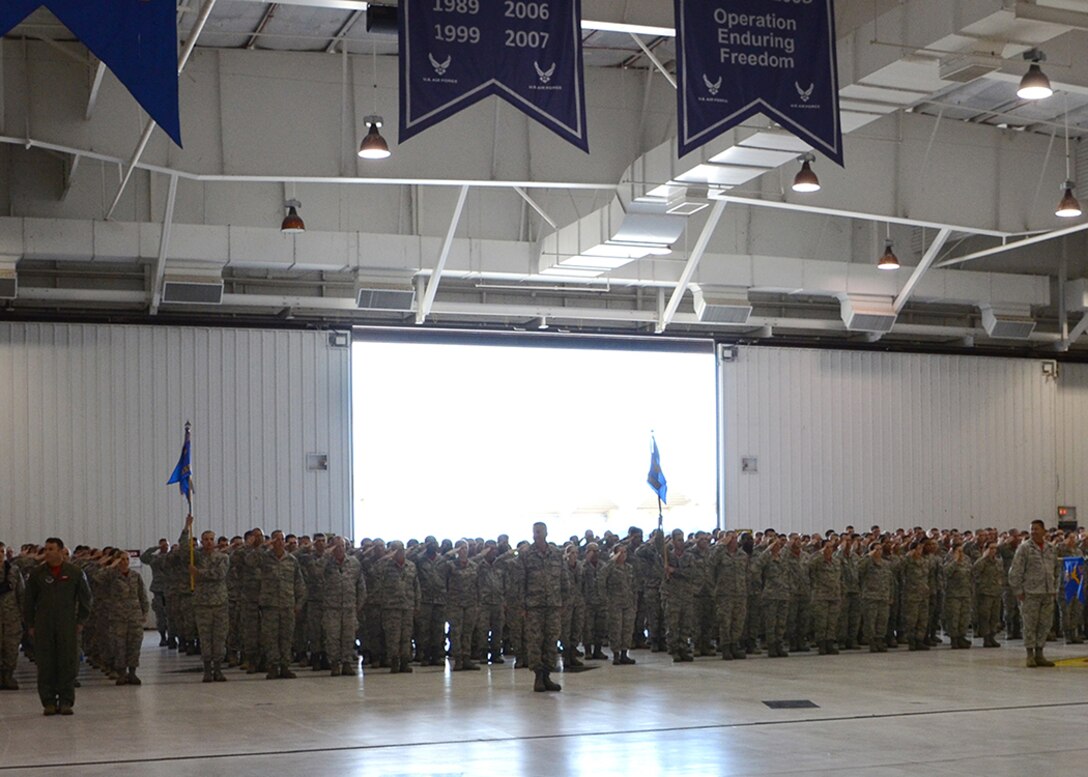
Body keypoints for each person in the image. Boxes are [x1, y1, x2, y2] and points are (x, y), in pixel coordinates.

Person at [24, 538, 92, 716]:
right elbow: (28, 601)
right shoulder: (37, 574)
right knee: (46, 664)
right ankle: (48, 702)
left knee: (67, 663)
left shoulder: (75, 572)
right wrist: (30, 624)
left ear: (61, 551)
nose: (47, 552)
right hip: (43, 625)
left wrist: (81, 621)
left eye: (51, 549)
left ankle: (65, 701)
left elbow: (86, 599)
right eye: (46, 549)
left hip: (67, 625)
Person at [1009, 519, 1061, 668]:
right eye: (1031, 529)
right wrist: (1018, 591)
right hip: (1030, 593)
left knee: (1045, 624)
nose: (1033, 532)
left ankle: (1040, 653)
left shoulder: (1051, 548)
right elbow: (1015, 571)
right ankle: (1030, 655)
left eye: (1036, 529)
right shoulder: (1024, 548)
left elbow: (1056, 570)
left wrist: (1054, 588)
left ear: (1044, 531)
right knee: (1030, 624)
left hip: (1047, 592)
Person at [521, 521, 564, 692]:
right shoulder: (526, 555)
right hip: (534, 606)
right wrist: (521, 605)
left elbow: (563, 578)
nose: (536, 535)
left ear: (546, 533)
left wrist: (564, 601)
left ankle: (547, 675)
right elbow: (520, 582)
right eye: (535, 532)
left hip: (553, 604)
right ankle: (538, 676)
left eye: (539, 532)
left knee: (551, 640)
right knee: (535, 641)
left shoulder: (556, 553)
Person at [187, 515, 230, 682]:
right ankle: (207, 670)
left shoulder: (223, 558)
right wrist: (186, 528)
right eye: (205, 539)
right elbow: (184, 549)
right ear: (202, 541)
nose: (209, 542)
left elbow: (219, 575)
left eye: (211, 539)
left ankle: (218, 669)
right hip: (202, 604)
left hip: (219, 603)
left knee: (219, 637)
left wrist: (198, 573)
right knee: (205, 637)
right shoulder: (195, 557)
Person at [0, 541, 25, 689]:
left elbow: (21, 593)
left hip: (11, 617)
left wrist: (24, 616)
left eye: (2, 552)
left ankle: (8, 676)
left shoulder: (13, 571)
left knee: (11, 647)